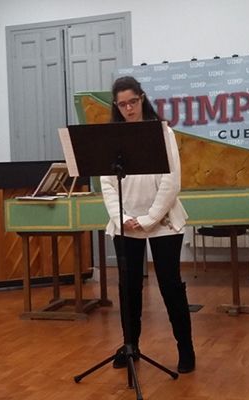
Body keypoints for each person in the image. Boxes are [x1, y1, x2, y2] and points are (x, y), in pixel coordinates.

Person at [100, 76, 195, 374]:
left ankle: (185, 348)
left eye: (133, 101)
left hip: (162, 221)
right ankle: (131, 346)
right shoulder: (112, 137)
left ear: (142, 98)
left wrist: (149, 219)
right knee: (128, 289)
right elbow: (106, 183)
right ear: (117, 106)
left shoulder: (162, 132)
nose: (128, 108)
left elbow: (172, 181)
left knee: (170, 286)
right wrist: (122, 218)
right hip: (125, 223)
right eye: (122, 104)